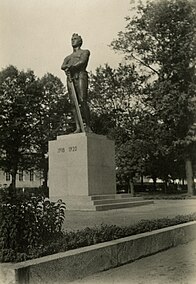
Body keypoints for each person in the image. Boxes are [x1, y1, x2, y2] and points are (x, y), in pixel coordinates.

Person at [61, 33, 91, 133]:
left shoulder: (85, 52)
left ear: (80, 41)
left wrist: (71, 67)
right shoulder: (68, 57)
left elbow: (82, 62)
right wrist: (68, 67)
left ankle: (87, 126)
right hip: (71, 78)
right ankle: (78, 127)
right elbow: (62, 65)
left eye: (75, 39)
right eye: (72, 39)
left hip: (81, 76)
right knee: (74, 103)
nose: (73, 41)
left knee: (82, 100)